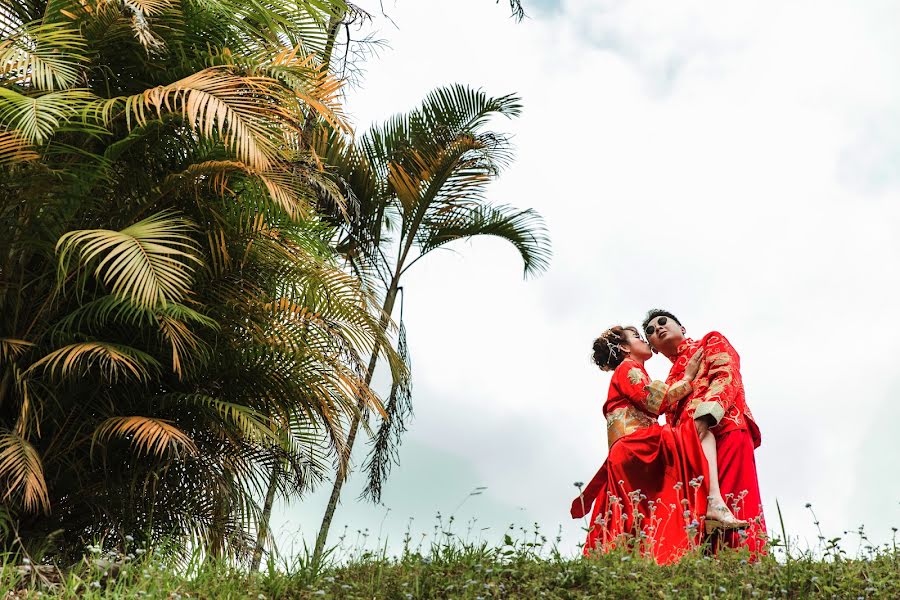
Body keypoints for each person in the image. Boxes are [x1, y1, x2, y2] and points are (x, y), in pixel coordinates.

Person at [571, 326, 714, 564]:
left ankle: (638, 558)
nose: (644, 340)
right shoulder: (628, 368)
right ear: (625, 348)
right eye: (637, 336)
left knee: (634, 510)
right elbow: (652, 401)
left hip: (626, 448)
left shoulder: (633, 371)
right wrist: (688, 378)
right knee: (689, 436)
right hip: (635, 444)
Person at [642, 309, 766, 554]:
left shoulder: (710, 340)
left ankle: (748, 564)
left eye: (663, 322)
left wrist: (707, 416)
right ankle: (712, 574)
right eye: (651, 331)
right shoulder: (669, 382)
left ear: (683, 328)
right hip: (691, 446)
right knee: (698, 510)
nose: (658, 328)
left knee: (736, 496)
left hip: (725, 427)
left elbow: (726, 375)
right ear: (653, 348)